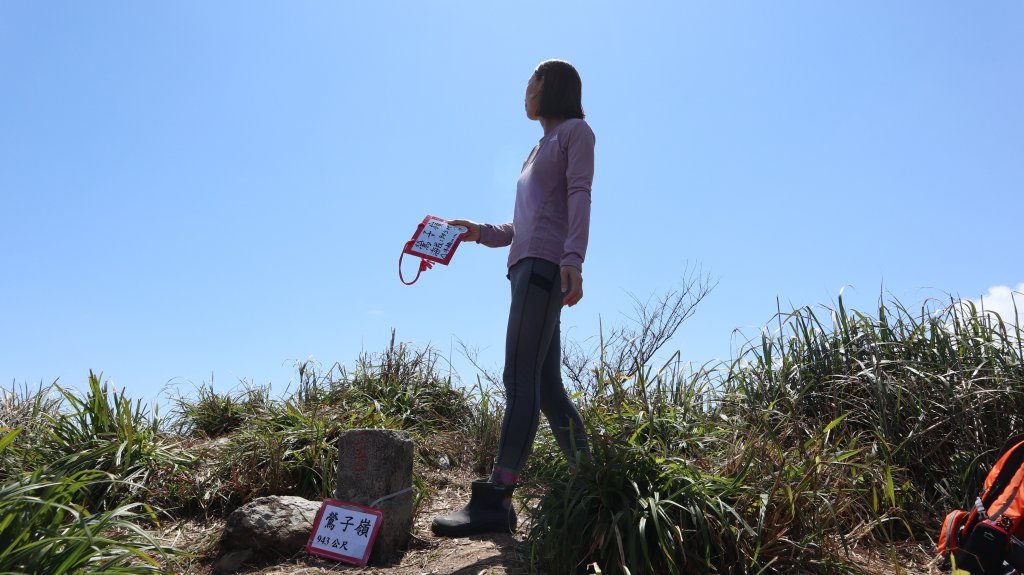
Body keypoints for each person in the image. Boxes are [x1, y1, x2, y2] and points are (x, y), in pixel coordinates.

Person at [431, 59, 596, 537]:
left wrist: (573, 258)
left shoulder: (576, 133)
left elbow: (581, 194)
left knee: (518, 376)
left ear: (552, 87)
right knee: (546, 387)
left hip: (545, 268)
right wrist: (477, 231)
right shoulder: (538, 147)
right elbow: (522, 224)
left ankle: (496, 501)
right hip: (526, 268)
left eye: (531, 83)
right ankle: (593, 482)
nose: (525, 92)